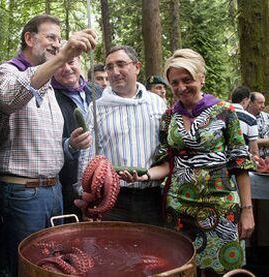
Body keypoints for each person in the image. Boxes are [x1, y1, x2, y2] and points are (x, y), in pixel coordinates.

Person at [126, 49, 255, 275]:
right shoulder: (169, 117)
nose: (181, 87)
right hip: (179, 209)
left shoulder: (224, 112)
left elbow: (240, 163)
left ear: (201, 78)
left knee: (223, 270)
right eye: (174, 82)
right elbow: (168, 162)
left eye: (187, 80)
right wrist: (144, 175)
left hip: (221, 209)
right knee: (183, 269)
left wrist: (247, 210)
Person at [0, 14, 95, 276]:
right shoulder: (8, 70)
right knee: (27, 266)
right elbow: (7, 98)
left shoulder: (49, 85)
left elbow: (46, 147)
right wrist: (63, 56)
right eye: (51, 37)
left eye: (59, 40)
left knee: (51, 266)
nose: (57, 45)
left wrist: (69, 145)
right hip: (23, 192)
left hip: (54, 190)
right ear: (29, 38)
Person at [77, 45, 167, 225]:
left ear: (137, 67)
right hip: (112, 200)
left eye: (121, 64)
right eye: (109, 67)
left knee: (152, 249)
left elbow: (166, 149)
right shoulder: (97, 107)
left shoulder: (157, 103)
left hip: (151, 198)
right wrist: (85, 196)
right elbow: (87, 155)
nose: (115, 72)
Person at [52, 54, 102, 218]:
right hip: (67, 183)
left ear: (79, 60)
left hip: (101, 180)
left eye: (71, 61)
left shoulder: (96, 91)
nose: (66, 68)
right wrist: (70, 144)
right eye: (60, 64)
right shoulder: (49, 96)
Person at [231, 86, 259, 156]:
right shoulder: (250, 119)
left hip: (219, 160)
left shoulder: (219, 114)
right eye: (248, 101)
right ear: (245, 100)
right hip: (239, 160)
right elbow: (254, 149)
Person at [247, 92, 269, 158]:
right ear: (250, 103)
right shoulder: (243, 118)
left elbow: (245, 141)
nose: (263, 106)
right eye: (260, 103)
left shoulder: (267, 117)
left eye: (263, 103)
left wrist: (252, 142)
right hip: (249, 161)